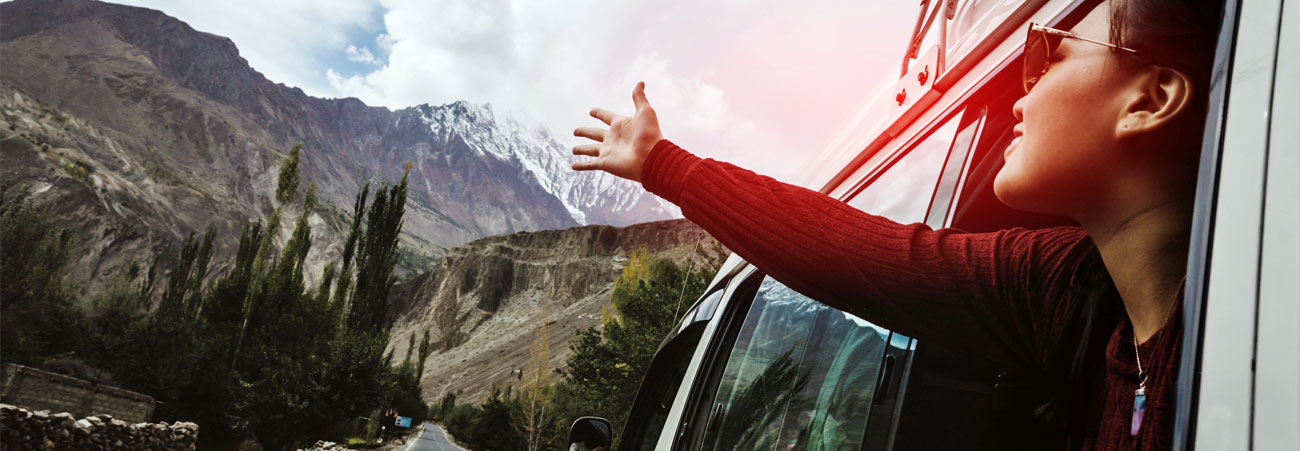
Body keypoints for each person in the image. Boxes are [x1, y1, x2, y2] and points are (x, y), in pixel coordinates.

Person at [569, 0, 1222, 449]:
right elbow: (851, 250)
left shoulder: (1244, 346)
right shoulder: (1069, 286)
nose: (1023, 86)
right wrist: (663, 164)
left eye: (1053, 52)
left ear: (1152, 99)